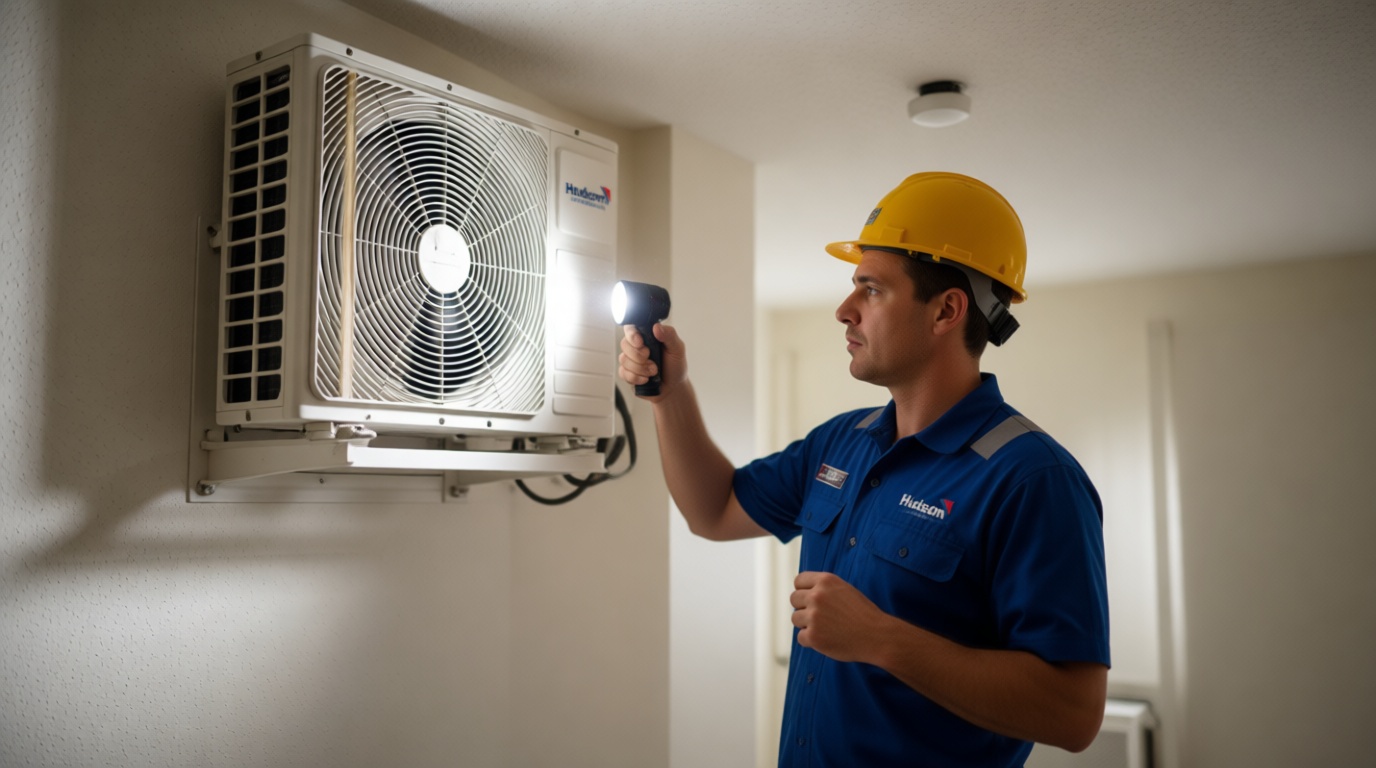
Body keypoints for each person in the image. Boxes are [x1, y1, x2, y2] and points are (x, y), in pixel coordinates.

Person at [619, 172, 1110, 767]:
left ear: (946, 311)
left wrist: (881, 639)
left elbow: (1073, 712)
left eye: (871, 289)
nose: (843, 310)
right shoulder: (842, 442)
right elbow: (714, 510)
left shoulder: (1031, 478)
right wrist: (671, 395)